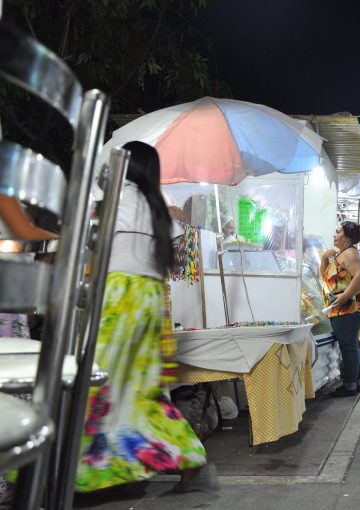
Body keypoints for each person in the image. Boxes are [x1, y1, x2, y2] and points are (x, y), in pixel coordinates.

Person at [76, 142, 212, 493]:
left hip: (119, 296)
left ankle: (90, 473)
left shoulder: (116, 199)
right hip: (150, 300)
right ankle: (187, 457)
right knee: (140, 389)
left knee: (97, 384)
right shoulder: (157, 207)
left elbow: (89, 248)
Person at [320, 221, 360, 397]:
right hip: (343, 308)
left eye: (338, 232)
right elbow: (325, 278)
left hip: (349, 307)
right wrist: (324, 259)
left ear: (347, 238)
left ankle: (349, 385)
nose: (334, 235)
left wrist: (345, 296)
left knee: (348, 345)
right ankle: (355, 382)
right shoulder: (341, 254)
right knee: (351, 345)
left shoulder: (350, 253)